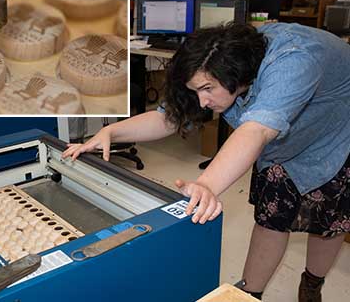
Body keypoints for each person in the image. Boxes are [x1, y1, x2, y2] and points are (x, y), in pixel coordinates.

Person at [62, 22, 350, 301]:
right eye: (196, 90)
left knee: (328, 222)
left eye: (207, 89)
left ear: (234, 75)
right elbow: (169, 117)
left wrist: (206, 185)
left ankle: (312, 283)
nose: (201, 102)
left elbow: (256, 130)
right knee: (271, 217)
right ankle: (248, 294)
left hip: (335, 134)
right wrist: (111, 131)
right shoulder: (225, 62)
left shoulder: (294, 60)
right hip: (278, 138)